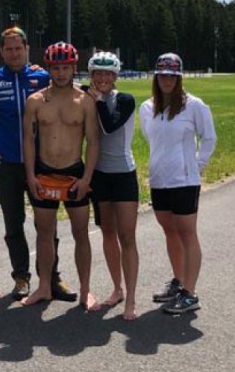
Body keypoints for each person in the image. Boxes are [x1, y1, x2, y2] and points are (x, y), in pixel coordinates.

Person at [0, 27, 77, 302]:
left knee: (47, 225)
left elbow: (72, 97)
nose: (14, 53)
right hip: (7, 164)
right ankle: (21, 277)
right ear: (1, 51)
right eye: (8, 49)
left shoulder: (42, 77)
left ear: (26, 49)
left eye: (18, 48)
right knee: (13, 224)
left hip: (42, 164)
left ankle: (52, 277)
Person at [20, 41, 100, 310]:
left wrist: (86, 179)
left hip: (74, 172)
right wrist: (31, 176)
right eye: (56, 68)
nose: (61, 73)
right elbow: (28, 141)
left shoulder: (85, 101)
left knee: (81, 232)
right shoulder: (35, 101)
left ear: (74, 68)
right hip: (44, 171)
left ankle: (86, 290)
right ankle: (44, 286)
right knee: (44, 232)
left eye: (66, 67)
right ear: (48, 69)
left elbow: (93, 142)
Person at [139, 52, 217, 314]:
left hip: (184, 181)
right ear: (156, 77)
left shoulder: (194, 105)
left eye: (172, 76)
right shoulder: (147, 108)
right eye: (163, 75)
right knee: (169, 231)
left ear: (179, 77)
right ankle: (179, 280)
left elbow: (209, 138)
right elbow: (152, 140)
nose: (167, 80)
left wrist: (196, 165)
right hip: (159, 180)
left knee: (187, 232)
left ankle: (190, 293)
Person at [84, 51, 140, 321]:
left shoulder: (125, 99)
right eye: (98, 73)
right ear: (91, 75)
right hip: (100, 175)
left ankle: (131, 298)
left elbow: (108, 126)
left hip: (123, 175)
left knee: (127, 237)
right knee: (107, 233)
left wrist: (96, 100)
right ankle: (117, 288)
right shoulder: (87, 97)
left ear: (116, 76)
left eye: (108, 74)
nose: (103, 78)